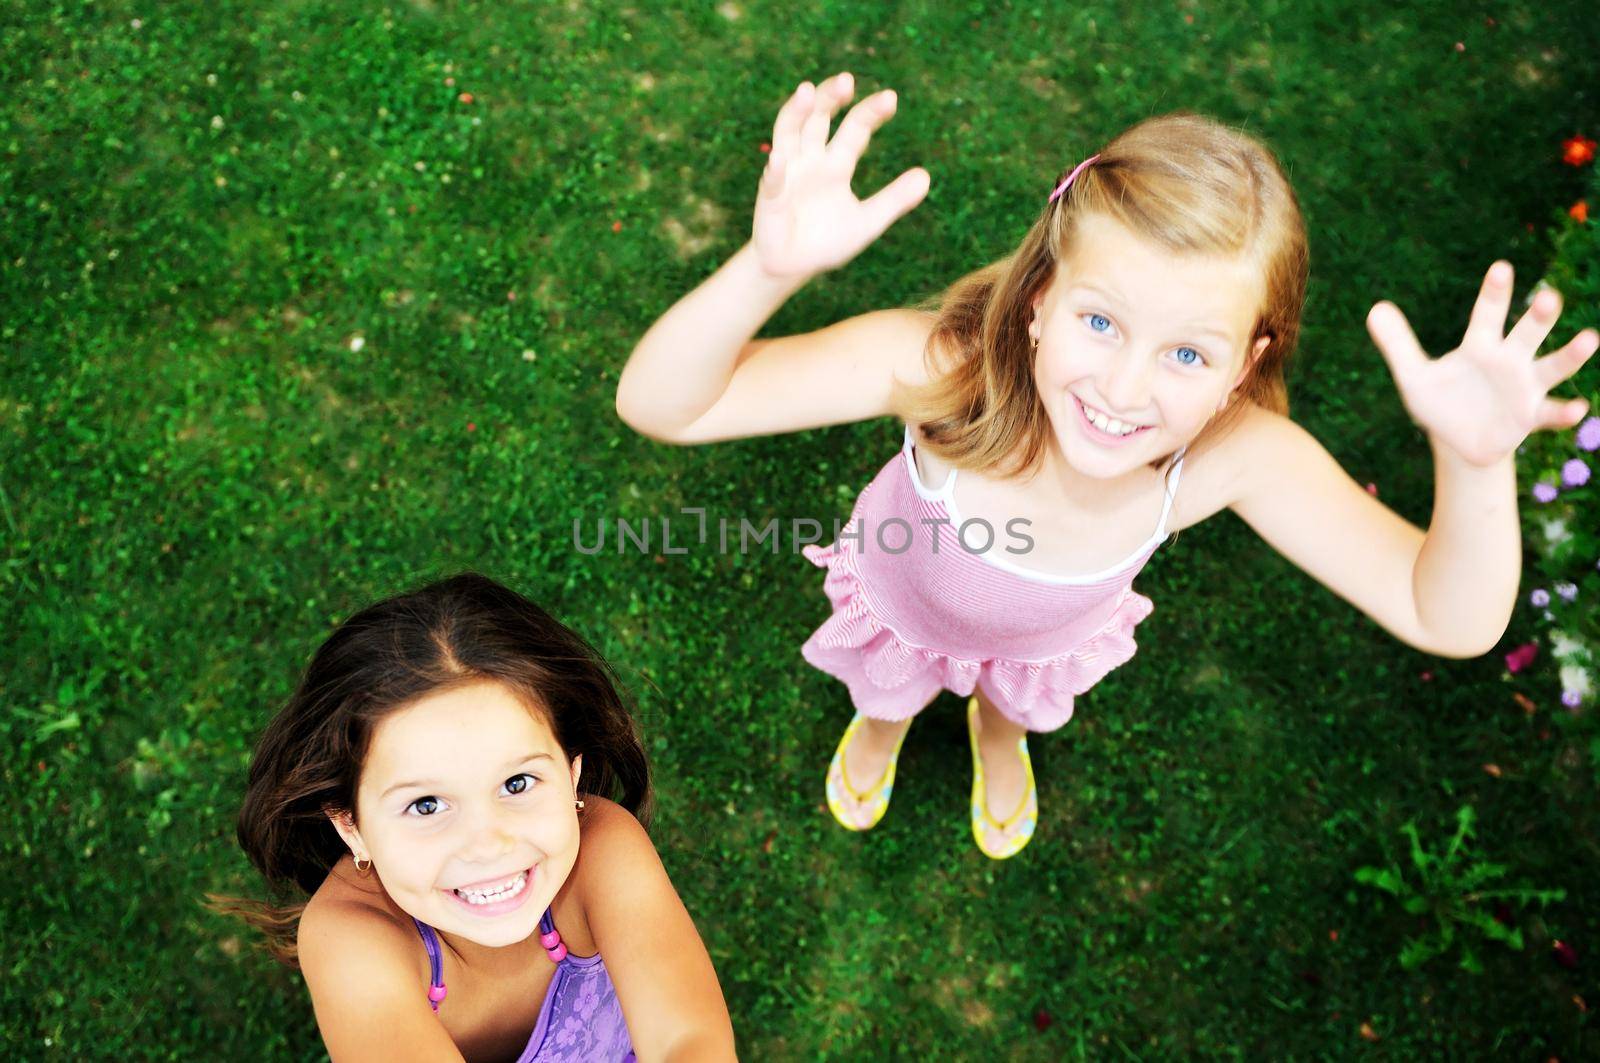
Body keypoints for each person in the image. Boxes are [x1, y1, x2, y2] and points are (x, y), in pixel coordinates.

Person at [614, 72, 1598, 860]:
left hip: (1049, 635)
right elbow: (663, 404)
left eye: (1186, 354)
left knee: (1012, 703)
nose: (1124, 388)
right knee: (883, 687)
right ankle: (878, 729)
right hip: (901, 591)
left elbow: (1449, 617)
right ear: (1039, 297)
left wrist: (1475, 465)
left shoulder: (1233, 458)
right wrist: (768, 268)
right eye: (1099, 320)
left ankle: (998, 742)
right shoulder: (940, 370)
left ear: (1243, 366)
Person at [231, 572, 736, 1061]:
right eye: (426, 805)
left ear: (572, 775)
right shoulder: (351, 938)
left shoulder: (603, 848)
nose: (487, 843)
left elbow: (687, 1043)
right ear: (352, 827)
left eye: (516, 784)